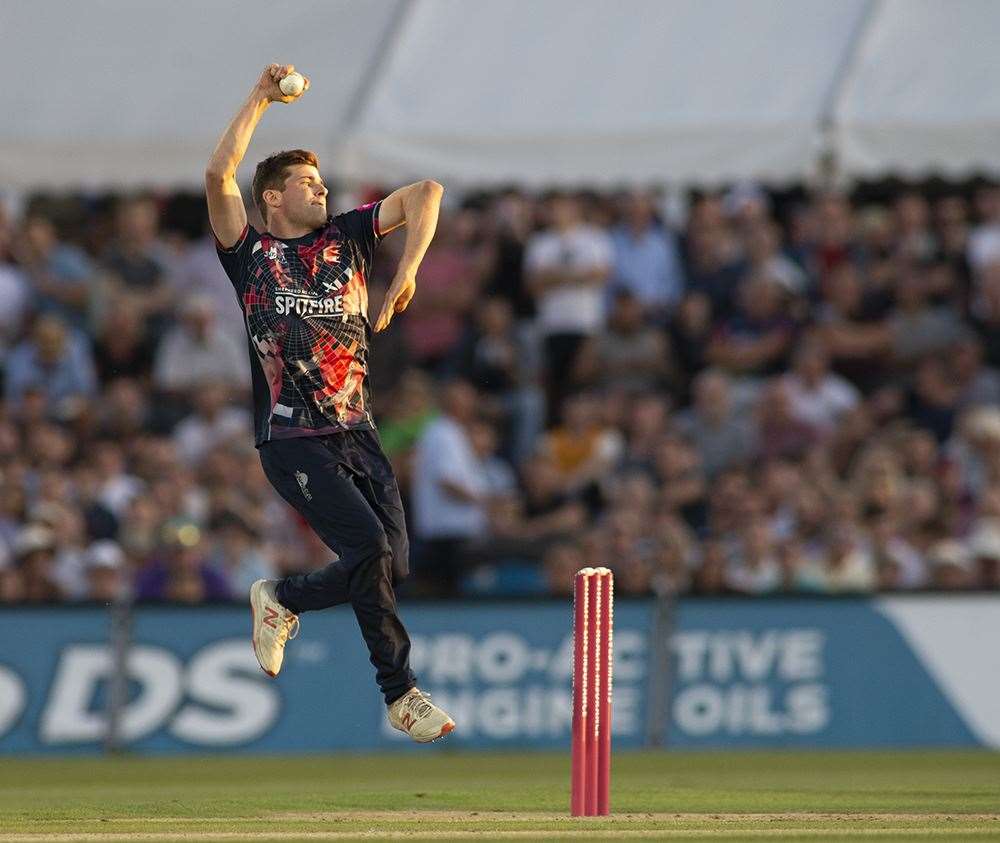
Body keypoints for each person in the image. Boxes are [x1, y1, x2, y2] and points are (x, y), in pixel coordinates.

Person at [205, 63, 453, 743]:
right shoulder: (250, 253)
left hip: (357, 429)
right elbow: (219, 178)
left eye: (320, 180)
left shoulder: (347, 238)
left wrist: (406, 269)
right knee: (369, 547)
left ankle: (282, 598)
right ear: (273, 199)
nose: (320, 188)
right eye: (306, 183)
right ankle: (400, 694)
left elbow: (427, 192)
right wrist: (258, 97)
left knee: (387, 561)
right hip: (293, 437)